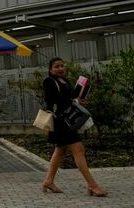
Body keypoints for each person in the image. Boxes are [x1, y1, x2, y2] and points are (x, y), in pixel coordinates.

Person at [41, 57, 107, 197]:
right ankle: (92, 185)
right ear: (50, 69)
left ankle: (48, 181)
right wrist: (72, 100)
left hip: (69, 120)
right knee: (79, 151)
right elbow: (51, 101)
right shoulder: (49, 81)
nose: (60, 68)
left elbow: (71, 99)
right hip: (61, 121)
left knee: (60, 151)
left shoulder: (66, 81)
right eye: (56, 66)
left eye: (62, 66)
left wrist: (79, 101)